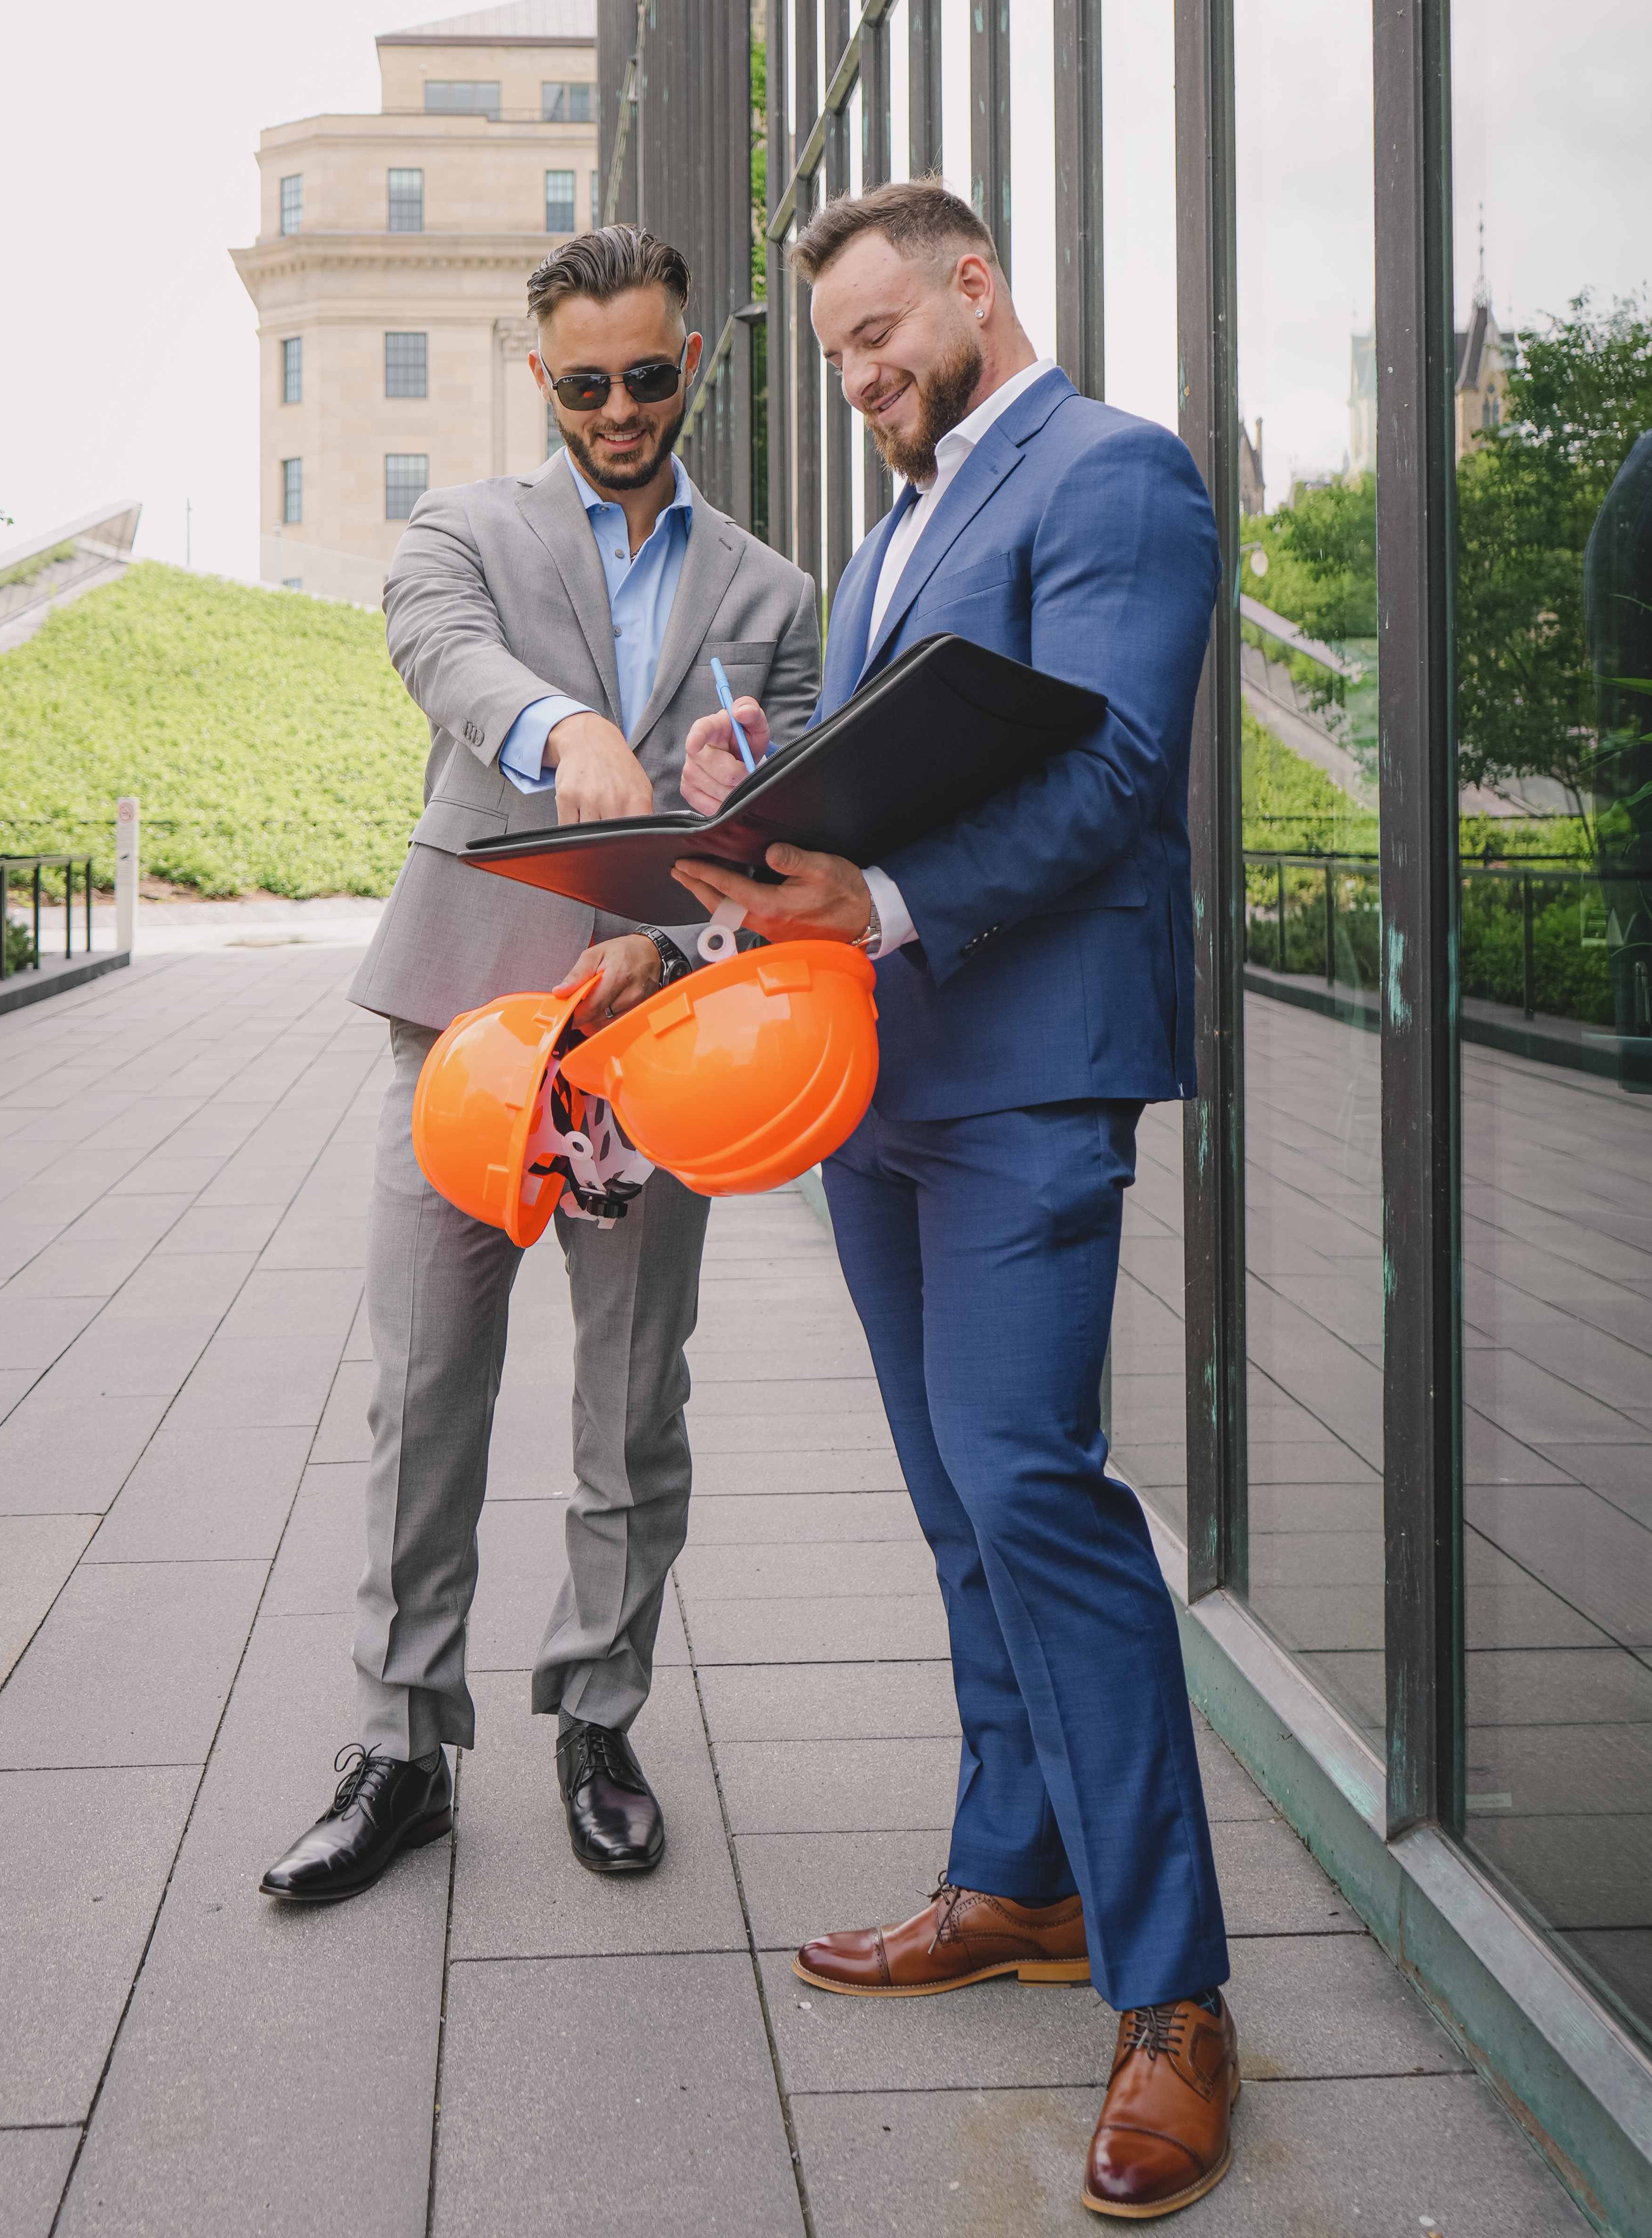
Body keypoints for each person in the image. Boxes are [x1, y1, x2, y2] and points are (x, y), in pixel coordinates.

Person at [676, 180, 1237, 2220]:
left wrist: (887, 893)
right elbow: (890, 753)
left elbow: (1104, 773)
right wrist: (770, 777)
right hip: (884, 1076)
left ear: (979, 285)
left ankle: (1174, 1994)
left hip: (1031, 1067)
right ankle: (1018, 1878)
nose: (861, 374)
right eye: (838, 352)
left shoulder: (1118, 475)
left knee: (1032, 1484)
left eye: (881, 330)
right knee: (950, 1496)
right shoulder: (893, 528)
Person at [261, 226, 820, 1906]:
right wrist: (558, 727)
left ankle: (598, 1716)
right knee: (426, 1387)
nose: (622, 409)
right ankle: (399, 1747)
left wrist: (691, 914)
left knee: (634, 1404)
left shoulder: (774, 593)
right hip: (467, 1031)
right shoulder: (464, 532)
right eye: (588, 385)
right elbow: (440, 651)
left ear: (692, 368)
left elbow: (775, 814)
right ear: (543, 383)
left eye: (650, 377)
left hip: (660, 1044)